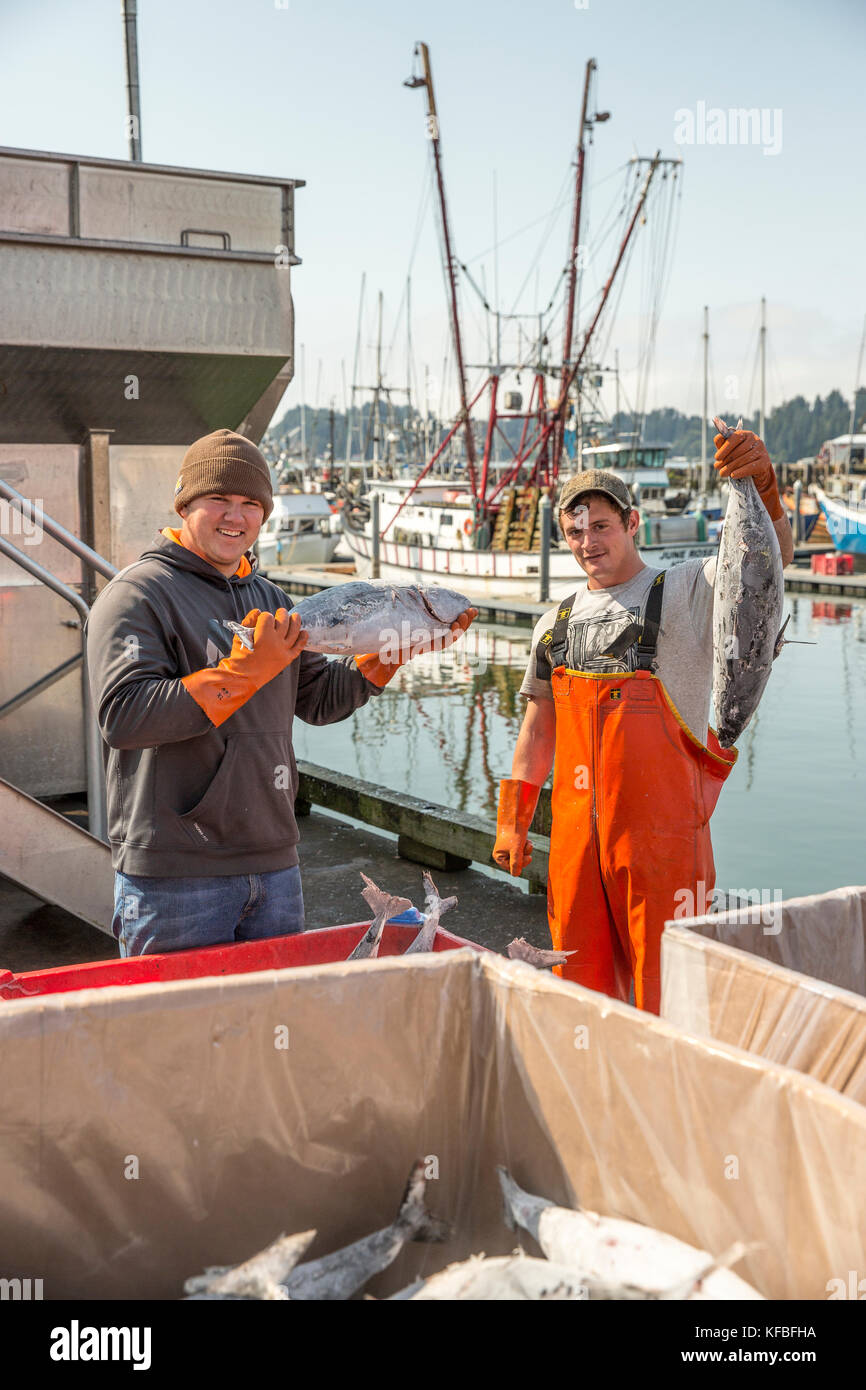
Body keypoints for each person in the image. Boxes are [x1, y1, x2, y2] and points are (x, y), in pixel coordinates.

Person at [86, 429, 476, 956]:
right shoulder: (137, 594)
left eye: (251, 504)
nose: (235, 516)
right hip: (175, 874)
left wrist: (384, 661)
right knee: (177, 1033)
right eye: (218, 500)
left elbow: (316, 702)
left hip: (275, 863)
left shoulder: (272, 598)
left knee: (272, 1027)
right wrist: (243, 671)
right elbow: (126, 718)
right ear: (184, 504)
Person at [492, 427, 793, 1013]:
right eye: (575, 531)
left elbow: (765, 561)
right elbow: (538, 729)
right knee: (582, 999)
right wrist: (515, 817)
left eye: (601, 525)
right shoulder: (550, 625)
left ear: (632, 523)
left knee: (671, 997)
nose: (588, 541)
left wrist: (765, 491)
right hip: (576, 848)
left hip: (665, 845)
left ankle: (670, 1099)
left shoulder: (684, 589)